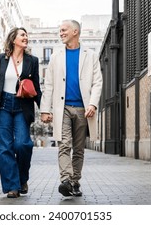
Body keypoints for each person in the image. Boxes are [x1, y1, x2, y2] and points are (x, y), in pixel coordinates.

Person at [0, 27, 41, 198]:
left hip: (22, 105)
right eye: (22, 35)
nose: (26, 37)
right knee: (4, 148)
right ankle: (12, 187)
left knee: (22, 144)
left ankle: (22, 179)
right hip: (2, 105)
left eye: (27, 35)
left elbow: (36, 88)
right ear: (13, 39)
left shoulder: (32, 61)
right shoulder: (1, 59)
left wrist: (45, 110)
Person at [40, 19, 101, 197]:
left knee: (79, 148)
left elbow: (98, 82)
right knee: (64, 144)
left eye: (64, 30)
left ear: (75, 31)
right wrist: (45, 109)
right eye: (60, 31)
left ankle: (75, 182)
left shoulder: (90, 55)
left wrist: (93, 103)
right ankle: (66, 180)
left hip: (83, 108)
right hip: (63, 108)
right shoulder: (55, 56)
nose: (61, 33)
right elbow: (49, 84)